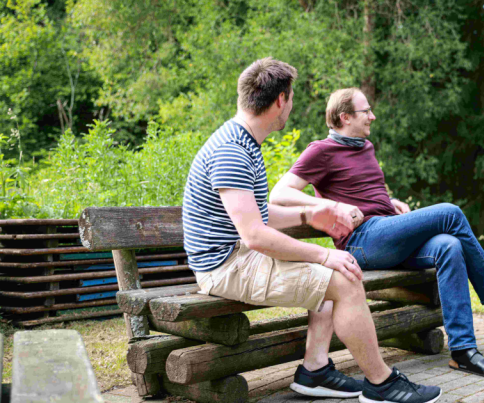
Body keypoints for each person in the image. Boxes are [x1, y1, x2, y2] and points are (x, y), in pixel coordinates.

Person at [182, 59, 442, 403]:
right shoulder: (232, 151)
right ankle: (382, 385)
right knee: (345, 279)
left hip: (236, 257)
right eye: (291, 99)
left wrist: (310, 215)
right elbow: (255, 235)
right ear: (280, 100)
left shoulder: (244, 141)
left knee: (332, 270)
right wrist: (324, 253)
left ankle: (314, 371)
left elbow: (259, 214)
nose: (291, 106)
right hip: (225, 267)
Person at [271, 88, 484, 379]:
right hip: (361, 243)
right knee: (450, 212)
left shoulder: (364, 147)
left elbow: (364, 190)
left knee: (449, 246)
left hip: (384, 234)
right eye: (365, 111)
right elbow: (279, 194)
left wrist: (388, 201)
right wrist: (333, 206)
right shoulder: (321, 150)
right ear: (344, 117)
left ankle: (463, 352)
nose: (373, 115)